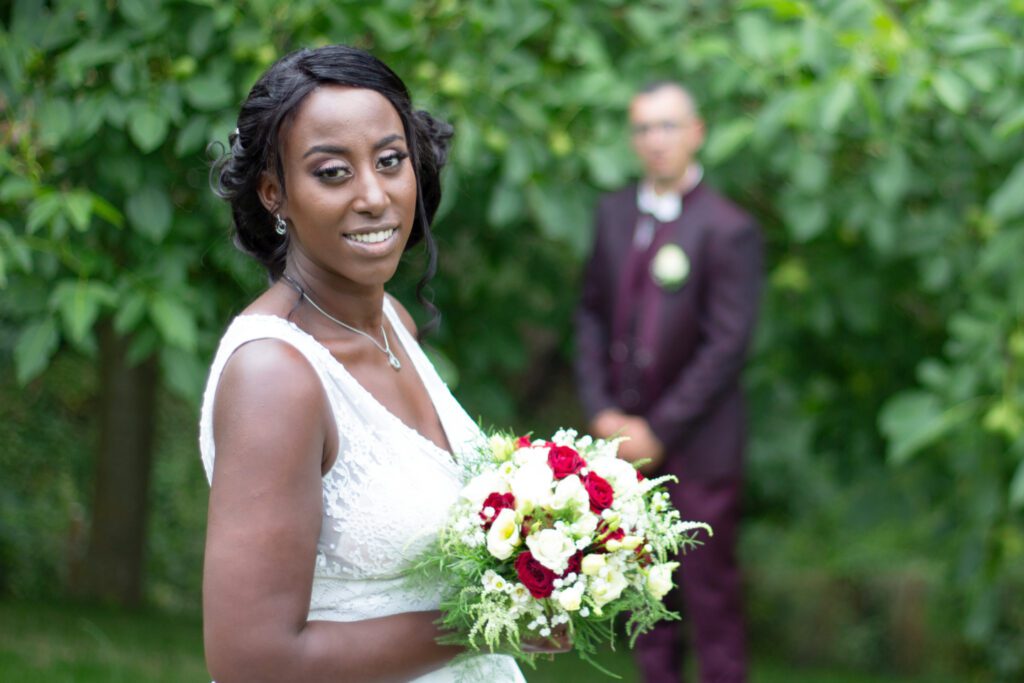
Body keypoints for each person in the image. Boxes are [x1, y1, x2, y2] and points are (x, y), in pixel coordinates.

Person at [200, 45, 564, 682]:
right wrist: (492, 613)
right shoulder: (275, 376)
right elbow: (252, 663)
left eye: (390, 162)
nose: (374, 196)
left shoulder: (391, 319)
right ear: (273, 193)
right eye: (333, 172)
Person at [574, 81, 762, 683]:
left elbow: (726, 347)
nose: (656, 141)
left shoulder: (729, 228)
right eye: (644, 129)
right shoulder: (613, 214)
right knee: (642, 599)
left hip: (700, 448)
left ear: (696, 132)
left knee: (709, 597)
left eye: (668, 126)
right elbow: (592, 316)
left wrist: (659, 429)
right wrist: (603, 413)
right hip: (624, 447)